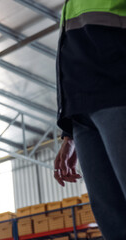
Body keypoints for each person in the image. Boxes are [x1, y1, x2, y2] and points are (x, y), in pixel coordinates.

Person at [53, 1, 126, 238]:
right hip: (82, 112)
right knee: (111, 218)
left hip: (118, 90)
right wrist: (70, 133)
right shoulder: (70, 4)